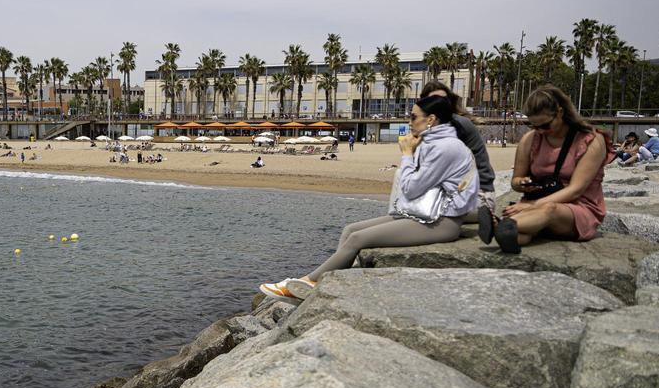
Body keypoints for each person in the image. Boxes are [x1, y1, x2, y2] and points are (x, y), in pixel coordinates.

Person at [259, 94, 478, 300]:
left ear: (431, 120)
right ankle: (329, 280)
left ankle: (309, 282)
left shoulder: (447, 148)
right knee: (350, 230)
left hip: (442, 222)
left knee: (357, 239)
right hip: (426, 213)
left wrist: (408, 155)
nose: (409, 122)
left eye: (413, 117)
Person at [480, 85, 610, 255]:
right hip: (535, 205)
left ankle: (499, 225)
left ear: (560, 112)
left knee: (550, 209)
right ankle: (507, 234)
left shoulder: (591, 140)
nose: (540, 131)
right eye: (533, 126)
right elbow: (516, 180)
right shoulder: (530, 139)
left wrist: (532, 205)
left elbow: (576, 190)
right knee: (521, 234)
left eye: (545, 125)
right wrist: (522, 184)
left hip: (577, 208)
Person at [419, 80, 494, 216]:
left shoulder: (458, 125)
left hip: (479, 196)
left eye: (444, 100)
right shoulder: (433, 128)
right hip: (456, 192)